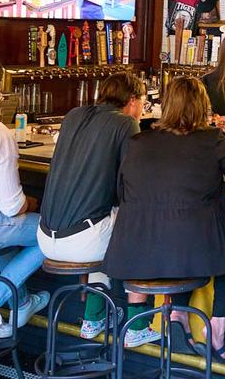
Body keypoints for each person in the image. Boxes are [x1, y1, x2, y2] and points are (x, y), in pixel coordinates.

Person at [104, 77, 225, 358]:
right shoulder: (211, 140)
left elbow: (120, 191)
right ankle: (216, 329)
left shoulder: (138, 141)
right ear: (203, 106)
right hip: (194, 252)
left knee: (178, 243)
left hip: (136, 252)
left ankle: (177, 315)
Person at [38, 72, 145, 341]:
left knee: (104, 223)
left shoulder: (74, 115)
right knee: (136, 222)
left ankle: (93, 316)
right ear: (133, 100)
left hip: (45, 237)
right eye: (143, 102)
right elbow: (130, 182)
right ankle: (137, 323)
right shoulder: (126, 124)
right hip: (84, 241)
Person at [0, 59, 49, 335]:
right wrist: (30, 203)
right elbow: (12, 206)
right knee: (53, 233)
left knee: (7, 236)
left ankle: (23, 302)